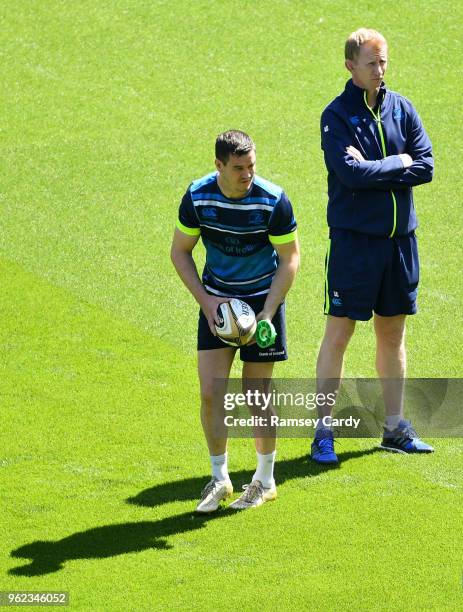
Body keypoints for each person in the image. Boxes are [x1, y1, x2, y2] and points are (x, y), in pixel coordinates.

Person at [311, 28, 434, 463]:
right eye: (371, 63)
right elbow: (351, 175)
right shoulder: (337, 116)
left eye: (383, 62)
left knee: (392, 333)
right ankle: (322, 431)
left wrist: (384, 167)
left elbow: (426, 165)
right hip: (354, 246)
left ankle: (395, 428)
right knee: (340, 333)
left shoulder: (402, 108)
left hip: (400, 245)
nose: (380, 71)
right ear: (350, 66)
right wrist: (398, 164)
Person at [171, 130, 299, 510]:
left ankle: (264, 479)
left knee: (255, 393)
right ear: (219, 166)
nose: (248, 175)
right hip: (219, 302)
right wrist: (208, 304)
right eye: (239, 168)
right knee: (211, 393)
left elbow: (290, 259)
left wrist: (268, 312)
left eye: (252, 166)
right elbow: (180, 253)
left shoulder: (272, 200)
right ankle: (219, 478)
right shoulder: (198, 196)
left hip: (262, 300)